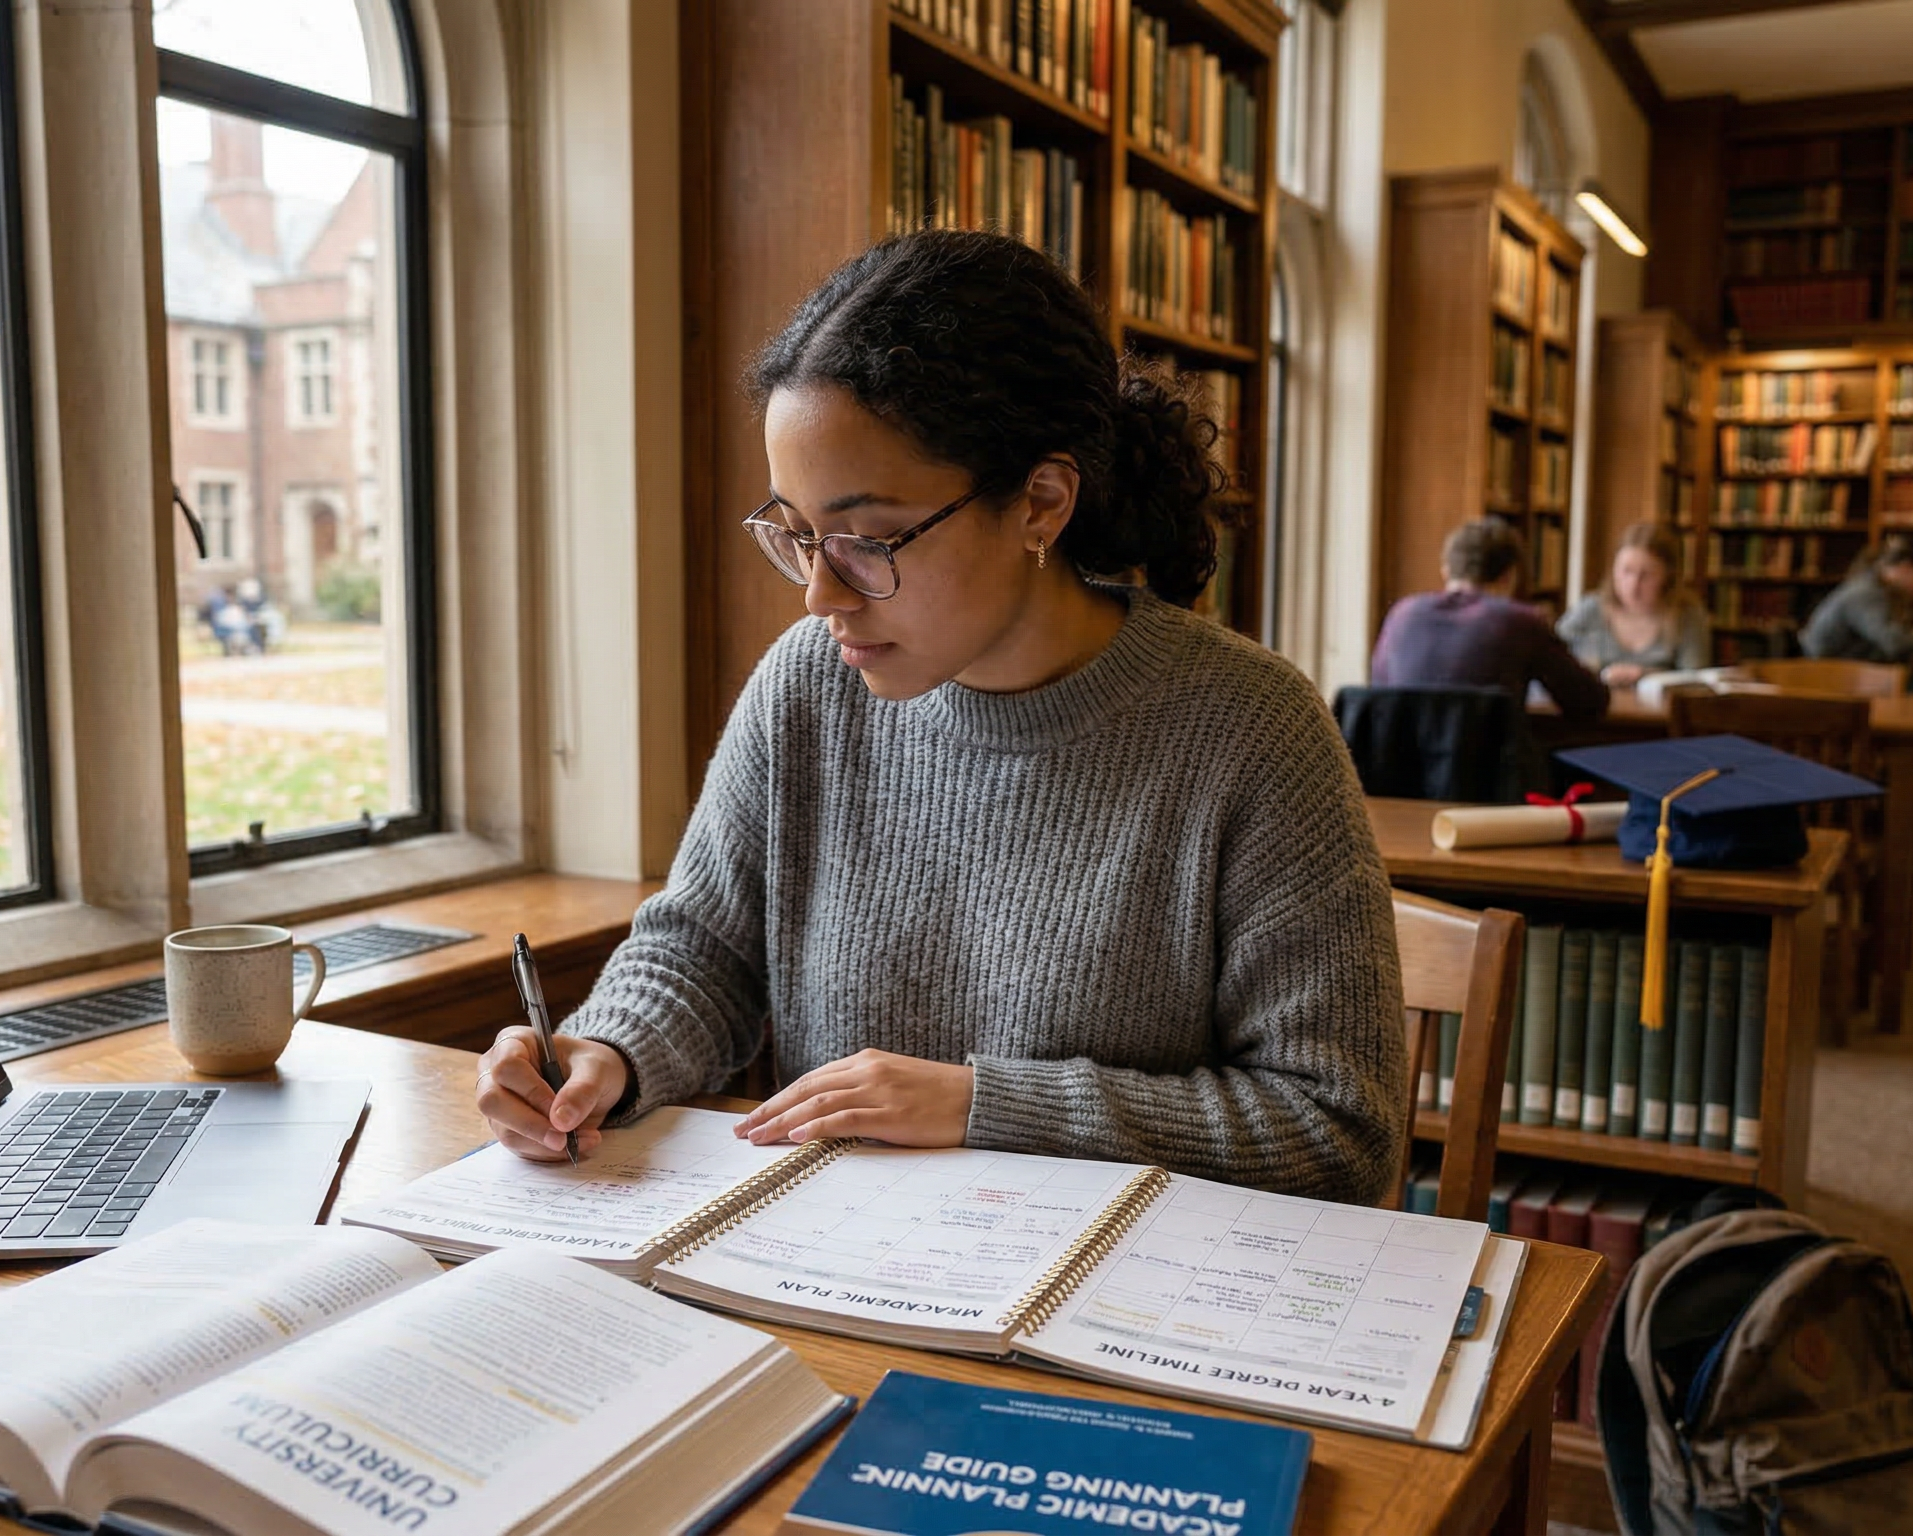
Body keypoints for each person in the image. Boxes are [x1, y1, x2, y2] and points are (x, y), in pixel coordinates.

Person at [473, 229, 1406, 1202]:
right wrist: (607, 1051)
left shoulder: (1250, 730)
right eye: (794, 536)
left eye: (868, 540)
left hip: (1108, 1318)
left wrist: (983, 1106)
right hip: (837, 1277)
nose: (819, 596)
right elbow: (703, 951)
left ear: (1040, 503)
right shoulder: (808, 684)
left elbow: (1335, 1128)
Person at [1368, 517, 1610, 718]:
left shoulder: (1403, 613)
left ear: (1446, 570)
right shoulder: (1520, 622)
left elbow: (1380, 691)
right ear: (1510, 576)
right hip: (1485, 771)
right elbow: (1589, 701)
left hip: (1399, 771)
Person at [1557, 522, 1712, 685]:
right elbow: (1549, 656)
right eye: (1626, 571)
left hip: (1659, 708)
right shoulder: (1589, 609)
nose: (1633, 584)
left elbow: (1695, 678)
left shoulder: (1687, 615)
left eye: (1646, 575)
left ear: (1667, 576)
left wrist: (1643, 675)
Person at [1799, 534, 1913, 664]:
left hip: (1846, 671)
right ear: (1906, 567)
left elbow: (1896, 631)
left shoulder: (1879, 587)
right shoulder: (1866, 593)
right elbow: (1894, 642)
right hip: (1830, 677)